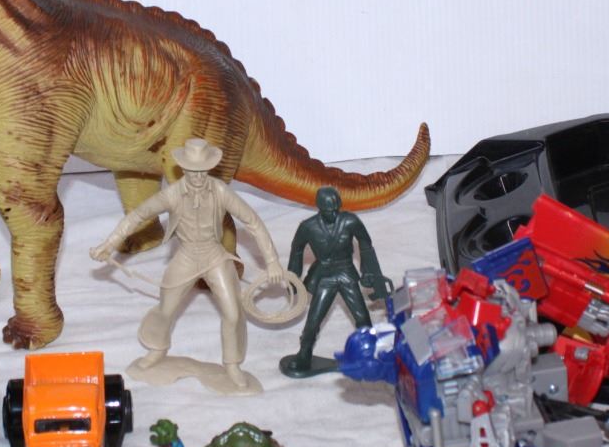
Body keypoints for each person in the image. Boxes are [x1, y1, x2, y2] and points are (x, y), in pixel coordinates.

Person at [91, 139, 285, 393]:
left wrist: (272, 261)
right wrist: (109, 244)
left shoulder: (220, 191)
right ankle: (157, 349)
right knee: (166, 307)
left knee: (233, 313)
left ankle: (232, 365)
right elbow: (139, 215)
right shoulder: (172, 194)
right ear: (183, 169)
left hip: (214, 255)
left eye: (203, 171)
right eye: (193, 172)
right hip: (186, 255)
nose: (198, 177)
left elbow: (253, 221)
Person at [280, 186, 392, 377]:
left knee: (362, 317)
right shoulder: (308, 226)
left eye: (335, 209)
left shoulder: (350, 221)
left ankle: (369, 351)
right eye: (328, 210)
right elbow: (297, 250)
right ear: (320, 207)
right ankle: (304, 353)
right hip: (324, 276)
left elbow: (366, 244)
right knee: (314, 319)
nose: (333, 213)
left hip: (347, 272)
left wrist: (369, 272)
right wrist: (293, 279)